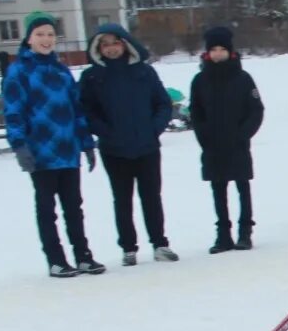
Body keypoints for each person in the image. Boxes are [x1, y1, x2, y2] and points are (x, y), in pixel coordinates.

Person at [2, 11, 104, 278]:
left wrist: (86, 143)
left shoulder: (61, 71)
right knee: (47, 208)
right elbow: (13, 112)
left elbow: (76, 109)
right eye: (40, 35)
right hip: (40, 152)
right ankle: (56, 259)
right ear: (29, 38)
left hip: (67, 149)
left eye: (50, 35)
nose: (46, 40)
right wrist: (19, 145)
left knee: (74, 206)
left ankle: (83, 256)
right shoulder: (19, 72)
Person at [79, 23, 177, 267]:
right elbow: (86, 110)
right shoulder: (92, 77)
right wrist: (105, 132)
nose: (111, 49)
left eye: (115, 43)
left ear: (125, 43)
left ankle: (160, 243)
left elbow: (163, 104)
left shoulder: (144, 72)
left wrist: (154, 129)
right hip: (114, 149)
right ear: (98, 48)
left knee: (151, 196)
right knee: (122, 199)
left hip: (146, 146)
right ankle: (128, 247)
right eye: (105, 44)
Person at [190, 25, 265, 253]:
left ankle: (245, 232)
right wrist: (204, 137)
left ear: (230, 51)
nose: (218, 54)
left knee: (242, 186)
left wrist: (243, 135)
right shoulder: (199, 81)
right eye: (214, 49)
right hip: (213, 146)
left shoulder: (243, 79)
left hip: (238, 144)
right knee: (218, 189)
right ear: (207, 53)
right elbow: (196, 113)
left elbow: (256, 110)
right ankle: (223, 234)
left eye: (222, 49)